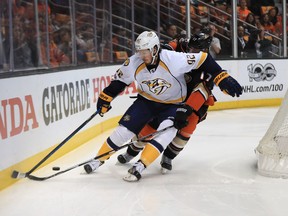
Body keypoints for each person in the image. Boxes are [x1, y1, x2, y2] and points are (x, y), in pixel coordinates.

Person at [84, 30, 242, 182]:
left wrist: (222, 77)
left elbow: (204, 60)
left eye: (145, 51)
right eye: (139, 51)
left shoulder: (173, 59)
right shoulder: (135, 61)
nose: (141, 55)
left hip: (174, 104)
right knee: (124, 130)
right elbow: (120, 81)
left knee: (168, 130)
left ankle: (142, 164)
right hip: (146, 102)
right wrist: (106, 97)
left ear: (154, 49)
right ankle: (98, 159)